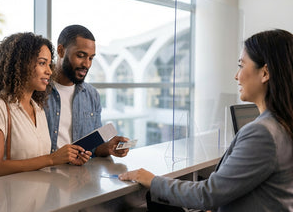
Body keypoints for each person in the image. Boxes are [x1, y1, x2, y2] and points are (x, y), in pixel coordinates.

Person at [119, 29, 293, 211]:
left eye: (241, 66)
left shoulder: (263, 132)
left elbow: (208, 195)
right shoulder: (282, 123)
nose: (236, 76)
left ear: (265, 73)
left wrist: (152, 181)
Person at [0, 32, 90, 179]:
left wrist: (67, 159)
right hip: (7, 200)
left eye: (49, 64)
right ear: (21, 64)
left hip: (38, 198)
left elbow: (38, 161)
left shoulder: (38, 108)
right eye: (42, 63)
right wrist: (52, 159)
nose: (49, 71)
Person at [45, 24, 130, 159]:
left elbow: (94, 148)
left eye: (91, 58)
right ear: (61, 51)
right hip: (45, 174)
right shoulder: (39, 90)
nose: (87, 64)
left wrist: (109, 147)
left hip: (80, 175)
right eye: (80, 56)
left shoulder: (92, 95)